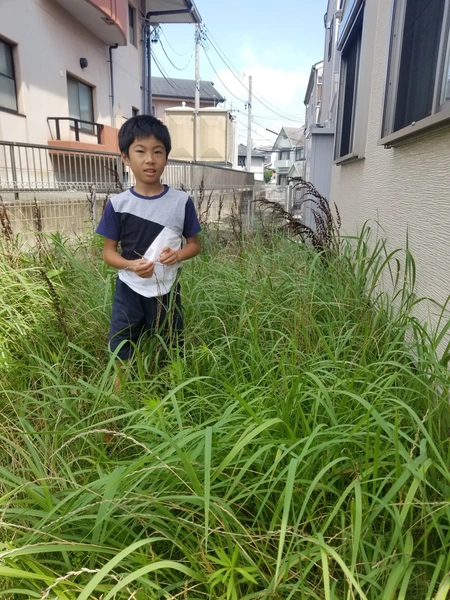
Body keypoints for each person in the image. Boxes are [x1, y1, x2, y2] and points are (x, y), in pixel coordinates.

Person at [96, 115, 201, 368]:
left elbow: (194, 245)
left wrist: (178, 255)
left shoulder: (181, 201)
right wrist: (131, 265)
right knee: (122, 344)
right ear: (125, 157)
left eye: (158, 151)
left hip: (167, 289)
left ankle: (173, 388)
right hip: (129, 289)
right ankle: (119, 397)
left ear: (167, 156)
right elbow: (108, 253)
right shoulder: (118, 204)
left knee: (172, 344)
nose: (150, 159)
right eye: (140, 151)